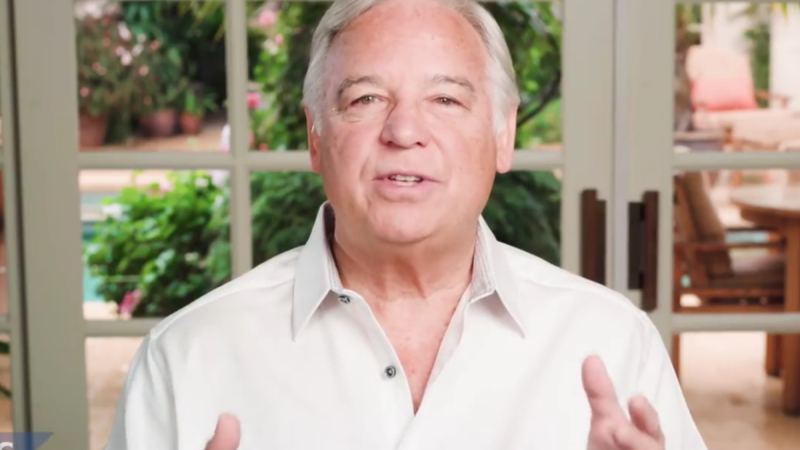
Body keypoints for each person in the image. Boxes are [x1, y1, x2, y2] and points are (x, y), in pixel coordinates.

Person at [106, 0, 708, 449]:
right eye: (365, 99)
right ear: (316, 136)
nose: (403, 131)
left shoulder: (612, 340)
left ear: (503, 135)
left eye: (445, 100)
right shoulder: (187, 357)